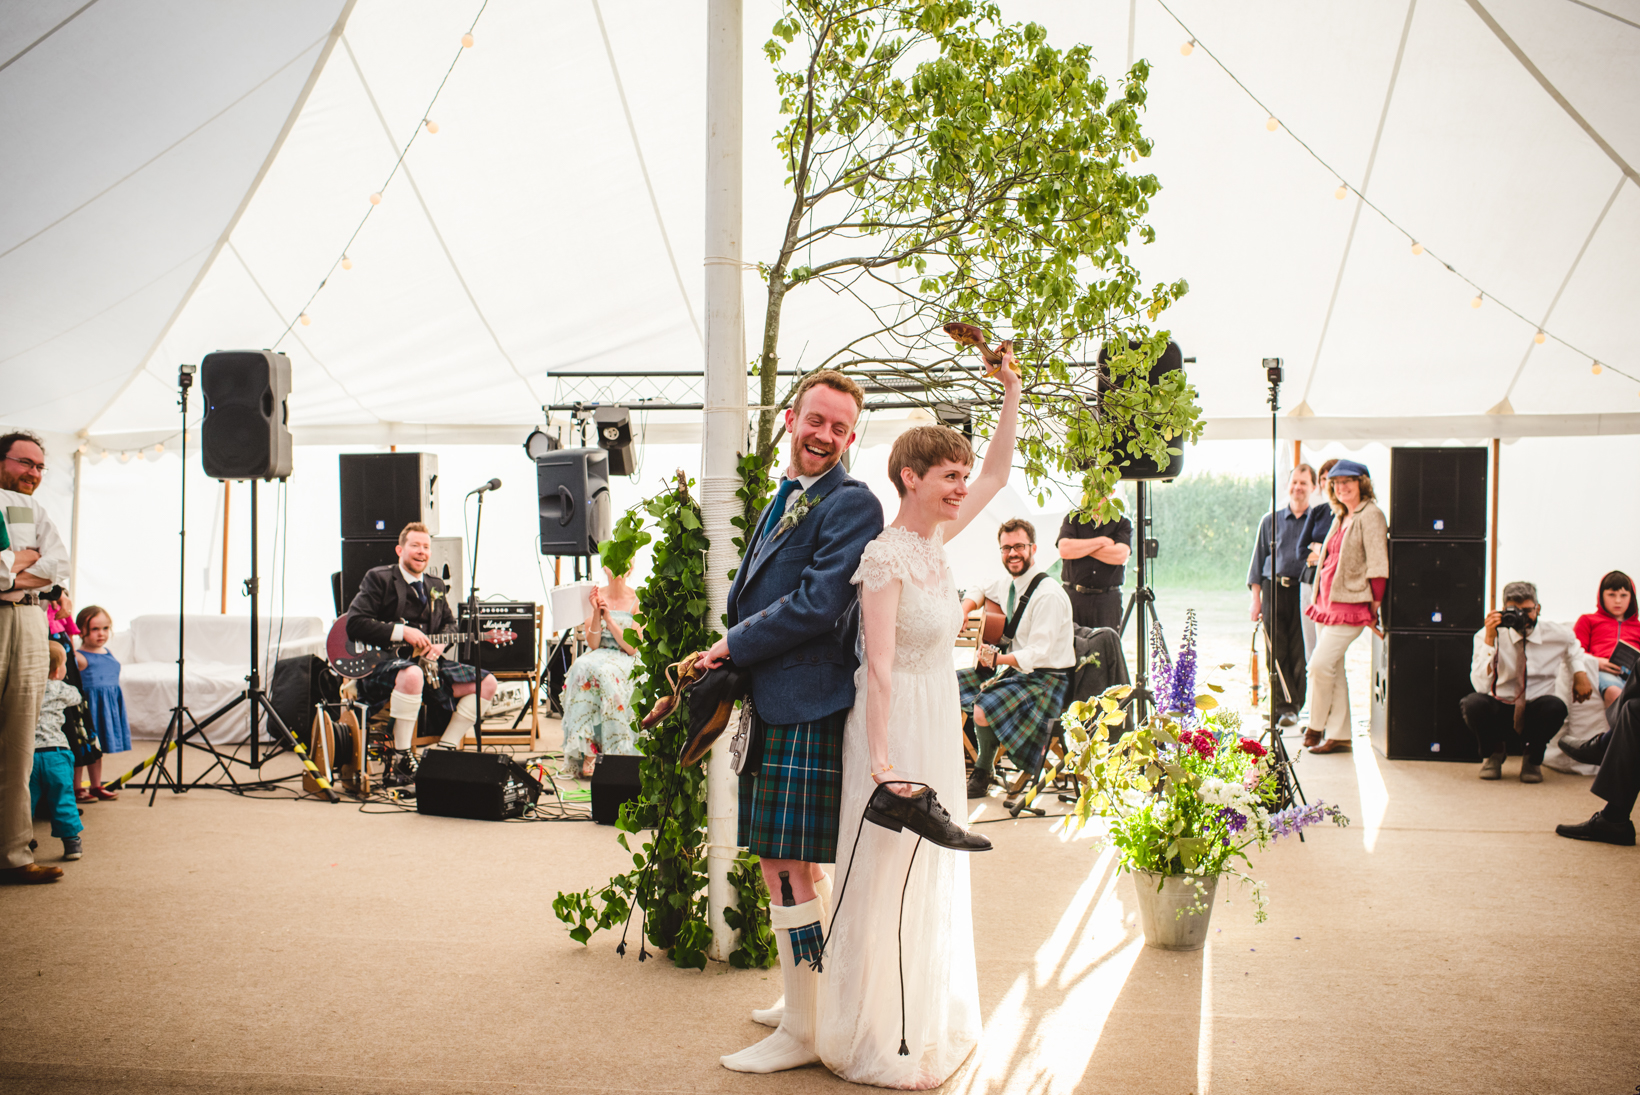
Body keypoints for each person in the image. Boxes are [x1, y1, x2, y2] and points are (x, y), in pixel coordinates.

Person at [815, 349, 1021, 1088]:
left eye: (962, 476)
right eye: (950, 476)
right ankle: (874, 1033)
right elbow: (875, 665)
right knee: (886, 876)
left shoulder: (935, 545)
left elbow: (999, 473)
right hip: (893, 728)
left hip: (937, 719)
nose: (965, 487)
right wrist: (879, 763)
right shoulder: (886, 557)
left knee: (929, 872)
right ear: (912, 477)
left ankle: (922, 1020)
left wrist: (1011, 391)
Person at [700, 370, 885, 1076]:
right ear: (790, 417)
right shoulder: (790, 495)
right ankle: (805, 997)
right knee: (794, 864)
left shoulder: (852, 503)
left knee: (783, 864)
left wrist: (731, 645)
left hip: (806, 699)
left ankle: (806, 1027)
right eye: (817, 420)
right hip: (777, 695)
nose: (826, 436)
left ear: (852, 436)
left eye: (840, 428)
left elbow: (816, 605)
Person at [345, 522, 498, 784]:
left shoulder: (435, 584)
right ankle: (402, 758)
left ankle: (444, 752)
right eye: (415, 545)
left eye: (426, 547)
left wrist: (441, 645)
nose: (421, 552)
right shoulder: (379, 578)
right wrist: (400, 632)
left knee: (487, 683)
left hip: (427, 667)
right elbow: (355, 623)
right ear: (400, 549)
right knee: (412, 673)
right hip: (381, 665)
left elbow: (450, 624)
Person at [957, 518, 1076, 799]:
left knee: (984, 706)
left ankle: (984, 769)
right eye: (1006, 548)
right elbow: (982, 587)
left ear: (1034, 548)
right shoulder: (1010, 584)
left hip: (1046, 679)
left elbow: (1038, 653)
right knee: (950, 684)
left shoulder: (1048, 595)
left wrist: (997, 661)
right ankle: (966, 758)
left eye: (1019, 546)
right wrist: (965, 608)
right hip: (1015, 671)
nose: (1012, 553)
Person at [0, 429, 68, 884]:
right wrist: (21, 562)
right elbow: (37, 565)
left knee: (19, 741)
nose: (34, 473)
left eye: (40, 466)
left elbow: (56, 564)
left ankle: (14, 853)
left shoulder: (36, 510)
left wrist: (9, 571)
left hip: (28, 620)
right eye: (26, 463)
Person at [1463, 581, 1592, 782]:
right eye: (1515, 611)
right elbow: (1480, 686)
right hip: (1502, 706)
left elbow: (1574, 650)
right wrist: (1490, 639)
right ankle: (1494, 754)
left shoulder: (1558, 634)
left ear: (1538, 608)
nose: (1522, 617)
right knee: (1472, 704)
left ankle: (1532, 760)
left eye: (1527, 610)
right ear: (1503, 610)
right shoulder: (1487, 635)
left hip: (1535, 708)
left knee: (1556, 706)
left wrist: (1580, 673)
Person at [1301, 459, 1388, 754]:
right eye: (1336, 484)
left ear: (1361, 483)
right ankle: (1339, 735)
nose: (1341, 488)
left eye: (1347, 482)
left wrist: (1375, 605)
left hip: (1352, 603)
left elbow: (1378, 564)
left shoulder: (1371, 514)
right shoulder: (1341, 516)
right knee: (1333, 669)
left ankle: (1315, 725)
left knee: (1318, 666)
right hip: (1327, 602)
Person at [1247, 464, 1316, 727]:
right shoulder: (1270, 520)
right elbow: (1257, 562)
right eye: (1294, 482)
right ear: (1288, 485)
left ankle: (1292, 707)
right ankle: (1278, 705)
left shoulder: (1318, 522)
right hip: (1272, 589)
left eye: (1303, 483)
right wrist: (1256, 599)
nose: (1298, 487)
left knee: (1299, 651)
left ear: (1312, 487)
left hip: (1304, 592)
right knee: (1275, 651)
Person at [560, 564, 643, 778]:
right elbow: (594, 643)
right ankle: (589, 749)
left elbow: (632, 647)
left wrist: (610, 620)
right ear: (605, 567)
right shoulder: (596, 595)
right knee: (581, 666)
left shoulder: (637, 600)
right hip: (600, 652)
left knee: (606, 673)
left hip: (624, 656)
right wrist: (596, 612)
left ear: (631, 567)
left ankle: (615, 751)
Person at [31, 643, 83, 862]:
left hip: (29, 755)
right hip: (57, 754)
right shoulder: (62, 688)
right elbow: (77, 698)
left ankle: (19, 839)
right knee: (63, 797)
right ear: (57, 670)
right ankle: (71, 842)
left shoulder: (27, 687)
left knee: (24, 801)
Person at [73, 605, 128, 800]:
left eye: (105, 628)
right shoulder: (79, 657)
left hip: (107, 707)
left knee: (97, 750)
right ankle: (77, 787)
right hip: (90, 708)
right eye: (95, 629)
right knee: (82, 748)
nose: (101, 634)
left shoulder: (108, 652)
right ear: (81, 630)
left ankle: (96, 785)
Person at [1056, 497, 1131, 631]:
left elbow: (1120, 555)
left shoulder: (1122, 522)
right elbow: (1065, 549)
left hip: (1107, 601)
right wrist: (1102, 541)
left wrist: (1081, 547)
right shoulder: (1073, 518)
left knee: (1106, 647)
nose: (1096, 491)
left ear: (1111, 491)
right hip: (1074, 597)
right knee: (1072, 647)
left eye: (1101, 487)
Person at [1573, 570, 1636, 709]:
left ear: (1631, 598)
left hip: (1634, 676)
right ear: (1601, 596)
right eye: (1612, 595)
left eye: (1624, 595)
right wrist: (1597, 662)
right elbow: (1573, 651)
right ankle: (1621, 731)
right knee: (1614, 692)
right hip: (1605, 673)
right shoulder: (1588, 620)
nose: (1618, 601)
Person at [1298, 458, 1339, 662]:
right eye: (1323, 478)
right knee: (1311, 648)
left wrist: (1318, 548)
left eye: (1331, 477)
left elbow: (1343, 553)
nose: (1326, 482)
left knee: (1331, 652)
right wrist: (1326, 550)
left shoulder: (1347, 514)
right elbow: (1300, 551)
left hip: (1334, 586)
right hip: (1310, 582)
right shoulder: (1318, 511)